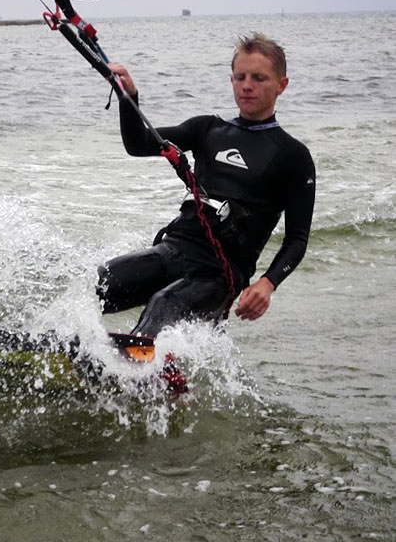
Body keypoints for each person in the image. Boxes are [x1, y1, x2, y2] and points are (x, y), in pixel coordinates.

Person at [97, 33, 316, 338]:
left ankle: (132, 367)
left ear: (282, 84)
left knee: (162, 306)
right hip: (172, 251)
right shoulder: (207, 130)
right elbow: (138, 144)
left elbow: (297, 239)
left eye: (259, 78)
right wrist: (127, 97)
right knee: (97, 283)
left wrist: (267, 283)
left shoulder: (293, 155)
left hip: (219, 275)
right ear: (231, 80)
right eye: (240, 76)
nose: (247, 85)